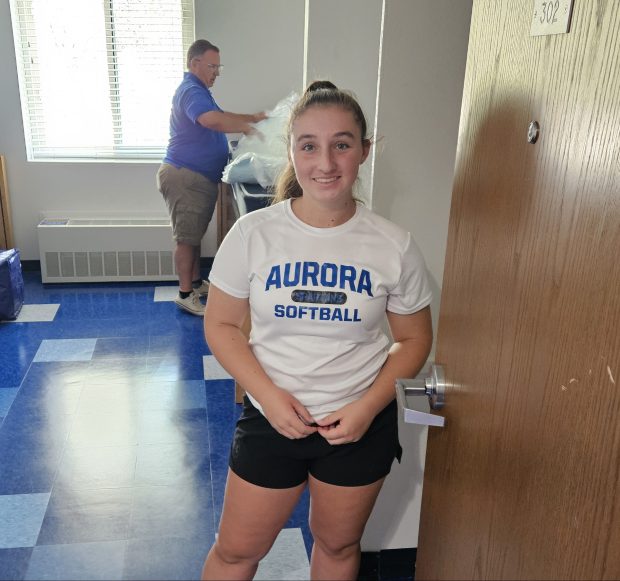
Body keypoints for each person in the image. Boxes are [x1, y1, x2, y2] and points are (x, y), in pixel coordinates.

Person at [201, 80, 433, 580]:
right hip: (271, 419)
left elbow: (414, 339)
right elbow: (220, 325)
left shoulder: (394, 245)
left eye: (342, 145)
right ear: (291, 151)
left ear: (364, 151)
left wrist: (366, 408)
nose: (325, 163)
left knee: (338, 547)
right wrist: (269, 396)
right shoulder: (253, 234)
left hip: (357, 426)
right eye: (309, 145)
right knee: (236, 553)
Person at [157, 39, 267, 316]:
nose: (216, 72)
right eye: (212, 66)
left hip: (194, 176)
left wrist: (250, 117)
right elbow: (210, 120)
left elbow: (218, 115)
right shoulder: (191, 91)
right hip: (185, 176)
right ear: (194, 64)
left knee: (192, 235)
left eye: (219, 67)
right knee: (185, 237)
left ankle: (194, 283)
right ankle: (184, 294)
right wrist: (245, 126)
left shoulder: (199, 91)